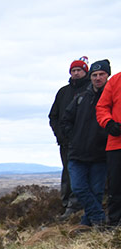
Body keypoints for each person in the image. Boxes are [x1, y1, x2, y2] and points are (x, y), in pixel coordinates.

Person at [62, 60, 111, 228]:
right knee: (79, 188)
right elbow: (65, 120)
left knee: (96, 192)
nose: (97, 78)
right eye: (94, 75)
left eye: (101, 74)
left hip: (100, 154)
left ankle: (87, 225)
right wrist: (73, 138)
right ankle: (98, 218)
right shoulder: (81, 98)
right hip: (77, 153)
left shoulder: (112, 99)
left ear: (108, 76)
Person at [49, 57, 91, 216]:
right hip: (66, 143)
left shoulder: (90, 90)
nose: (76, 73)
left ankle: (81, 204)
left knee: (87, 172)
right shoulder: (63, 92)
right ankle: (67, 204)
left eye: (79, 70)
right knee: (68, 172)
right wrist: (59, 135)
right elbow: (53, 116)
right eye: (73, 70)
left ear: (85, 71)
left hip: (88, 142)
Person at [97, 69, 121, 228]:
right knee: (116, 187)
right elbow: (102, 107)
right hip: (116, 144)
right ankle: (114, 224)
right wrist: (109, 123)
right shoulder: (116, 80)